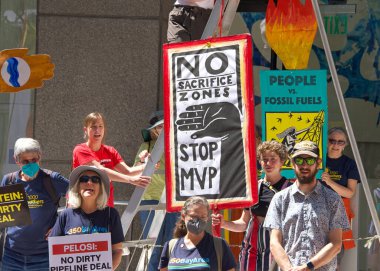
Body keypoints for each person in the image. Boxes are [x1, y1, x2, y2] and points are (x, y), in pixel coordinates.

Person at [264, 140, 349, 271]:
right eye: (299, 161)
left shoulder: (333, 199)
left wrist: (307, 267)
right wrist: (288, 269)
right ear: (293, 163)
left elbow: (336, 244)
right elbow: (274, 242)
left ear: (318, 163)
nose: (304, 165)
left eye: (309, 161)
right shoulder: (280, 199)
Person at [212, 141, 291, 271]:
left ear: (282, 161)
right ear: (260, 162)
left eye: (273, 159)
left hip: (277, 249)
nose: (268, 163)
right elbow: (243, 223)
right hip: (250, 249)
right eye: (264, 159)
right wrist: (224, 223)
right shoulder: (253, 188)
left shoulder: (289, 189)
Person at [0, 138, 69, 270]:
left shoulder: (52, 179)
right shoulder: (8, 180)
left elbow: (78, 195)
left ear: (40, 158)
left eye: (34, 160)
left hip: (43, 256)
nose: (30, 164)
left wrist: (60, 223)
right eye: (25, 161)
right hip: (12, 255)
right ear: (17, 160)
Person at [49, 165, 124, 270]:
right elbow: (53, 250)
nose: (89, 182)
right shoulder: (66, 215)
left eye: (95, 180)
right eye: (84, 179)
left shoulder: (111, 214)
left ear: (101, 188)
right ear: (78, 187)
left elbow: (118, 251)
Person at [72, 112, 151, 207]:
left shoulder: (110, 151)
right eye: (93, 127)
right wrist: (131, 180)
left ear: (104, 129)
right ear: (86, 130)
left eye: (100, 126)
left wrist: (145, 163)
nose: (97, 130)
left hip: (105, 206)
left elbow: (128, 171)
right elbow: (100, 170)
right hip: (82, 207)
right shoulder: (80, 149)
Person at [134, 111, 179, 270]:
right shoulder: (146, 147)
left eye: (165, 126)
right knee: (152, 246)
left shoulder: (178, 145)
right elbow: (133, 173)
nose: (163, 129)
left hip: (174, 201)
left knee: (173, 244)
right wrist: (142, 161)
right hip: (150, 199)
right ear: (154, 130)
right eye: (159, 127)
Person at [159, 196, 236, 271]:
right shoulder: (171, 246)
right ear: (183, 216)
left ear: (207, 218)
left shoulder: (219, 245)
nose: (198, 221)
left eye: (203, 217)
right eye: (194, 216)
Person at [321, 127, 361, 264]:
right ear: (326, 142)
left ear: (345, 145)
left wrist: (330, 182)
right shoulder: (318, 160)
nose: (336, 145)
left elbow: (350, 193)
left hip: (339, 212)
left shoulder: (349, 164)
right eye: (332, 141)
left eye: (340, 142)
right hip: (317, 210)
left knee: (335, 255)